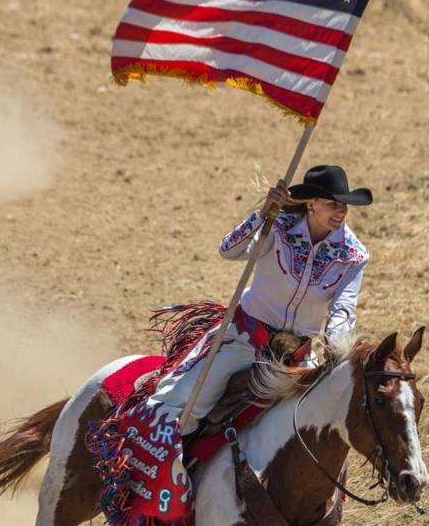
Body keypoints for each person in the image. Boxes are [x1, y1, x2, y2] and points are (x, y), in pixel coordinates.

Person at [148, 164, 372, 435]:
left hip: (297, 358)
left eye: (344, 205)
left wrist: (337, 347)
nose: (342, 212)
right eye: (333, 204)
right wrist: (263, 214)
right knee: (183, 403)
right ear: (312, 203)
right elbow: (228, 251)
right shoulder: (277, 226)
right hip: (243, 340)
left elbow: (343, 308)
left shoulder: (354, 256)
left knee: (320, 427)